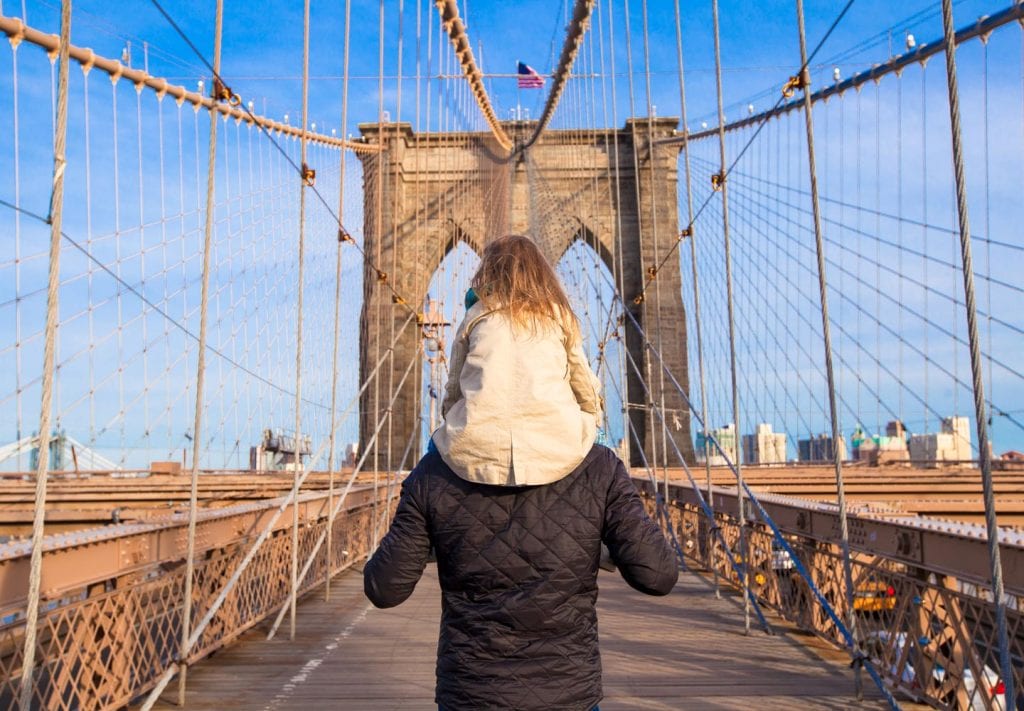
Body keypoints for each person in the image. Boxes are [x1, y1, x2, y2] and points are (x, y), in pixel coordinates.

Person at [364, 235, 678, 711]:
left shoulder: (434, 473)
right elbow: (659, 575)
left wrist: (433, 536)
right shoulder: (599, 471)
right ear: (563, 355)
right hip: (568, 697)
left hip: (471, 697)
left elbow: (384, 589)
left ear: (469, 354)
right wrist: (597, 543)